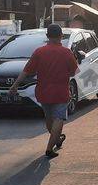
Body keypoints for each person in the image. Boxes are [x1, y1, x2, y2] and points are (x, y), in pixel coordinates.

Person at [9, 24, 78, 158]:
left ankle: (57, 140)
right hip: (60, 91)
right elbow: (74, 72)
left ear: (47, 37)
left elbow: (26, 70)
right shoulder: (66, 53)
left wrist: (15, 85)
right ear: (61, 36)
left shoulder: (39, 52)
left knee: (49, 118)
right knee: (59, 119)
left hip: (43, 91)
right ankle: (49, 149)